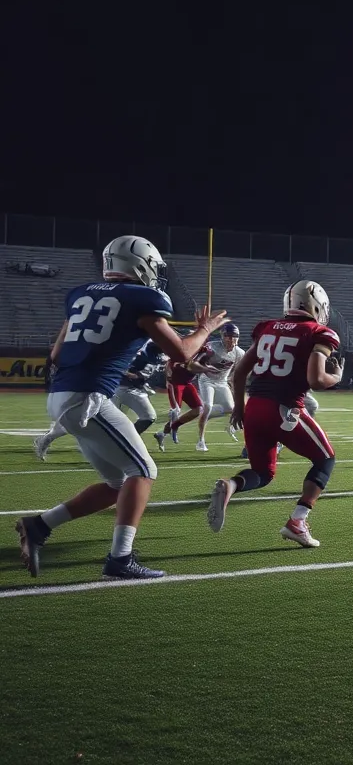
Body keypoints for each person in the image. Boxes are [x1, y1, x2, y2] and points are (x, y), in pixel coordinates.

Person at [15, 234, 228, 579]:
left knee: (118, 483)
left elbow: (55, 355)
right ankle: (120, 559)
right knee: (143, 472)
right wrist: (204, 329)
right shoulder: (143, 299)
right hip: (89, 397)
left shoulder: (80, 294)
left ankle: (39, 526)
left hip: (62, 395)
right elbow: (184, 353)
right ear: (141, 265)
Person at [207, 280, 343, 547]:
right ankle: (298, 521)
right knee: (325, 459)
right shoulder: (319, 332)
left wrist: (239, 407)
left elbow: (239, 373)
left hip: (255, 407)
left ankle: (231, 485)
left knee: (263, 472)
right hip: (285, 409)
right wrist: (336, 376)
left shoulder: (268, 328)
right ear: (315, 305)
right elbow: (316, 380)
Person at [34, 340, 166, 461]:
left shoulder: (157, 353)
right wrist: (133, 376)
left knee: (93, 422)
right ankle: (124, 446)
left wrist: (143, 383)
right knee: (147, 417)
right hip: (122, 389)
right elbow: (122, 369)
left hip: (129, 390)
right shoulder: (141, 351)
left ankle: (48, 438)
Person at [195, 323, 244, 452]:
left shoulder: (239, 353)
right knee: (208, 406)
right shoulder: (212, 347)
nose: (231, 340)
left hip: (222, 381)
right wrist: (205, 365)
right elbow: (197, 364)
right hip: (207, 380)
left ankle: (206, 415)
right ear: (223, 336)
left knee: (231, 408)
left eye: (234, 337)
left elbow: (237, 372)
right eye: (228, 336)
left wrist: (231, 383)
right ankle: (201, 441)